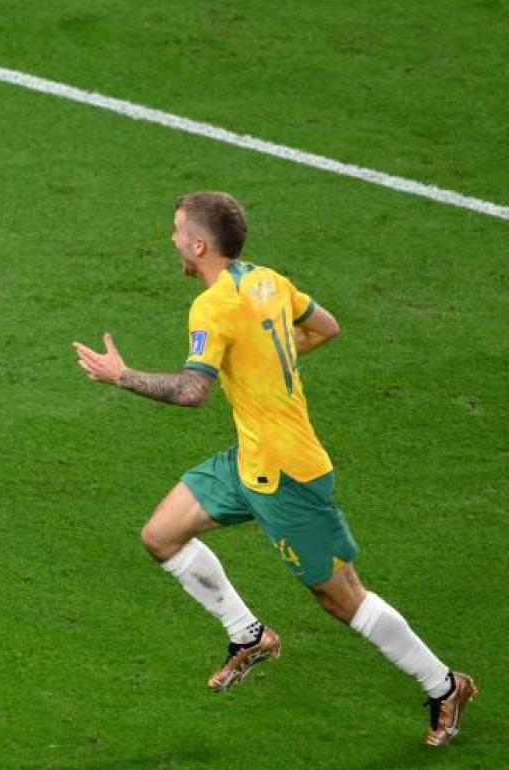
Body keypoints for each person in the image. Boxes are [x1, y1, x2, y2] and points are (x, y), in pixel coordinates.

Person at [72, 192, 475, 746]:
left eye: (175, 230)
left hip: (287, 473)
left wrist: (122, 376)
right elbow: (326, 327)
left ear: (199, 243)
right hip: (251, 458)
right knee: (161, 535)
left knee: (341, 598)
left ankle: (445, 684)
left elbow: (193, 392)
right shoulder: (266, 280)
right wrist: (264, 360)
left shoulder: (212, 306)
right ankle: (249, 636)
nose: (171, 240)